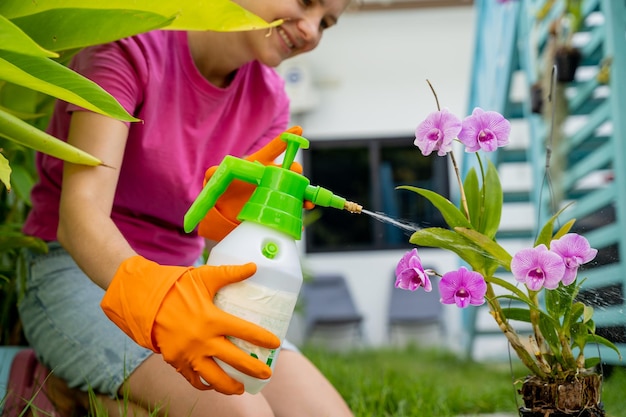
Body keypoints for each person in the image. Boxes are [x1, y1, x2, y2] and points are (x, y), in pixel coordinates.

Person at [18, 0, 354, 416]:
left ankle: (92, 397)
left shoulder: (270, 102)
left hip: (190, 282)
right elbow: (79, 218)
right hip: (78, 272)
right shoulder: (129, 49)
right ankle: (68, 396)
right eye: (306, 3)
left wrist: (236, 223)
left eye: (327, 23)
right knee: (242, 413)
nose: (311, 31)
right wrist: (158, 299)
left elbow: (216, 241)